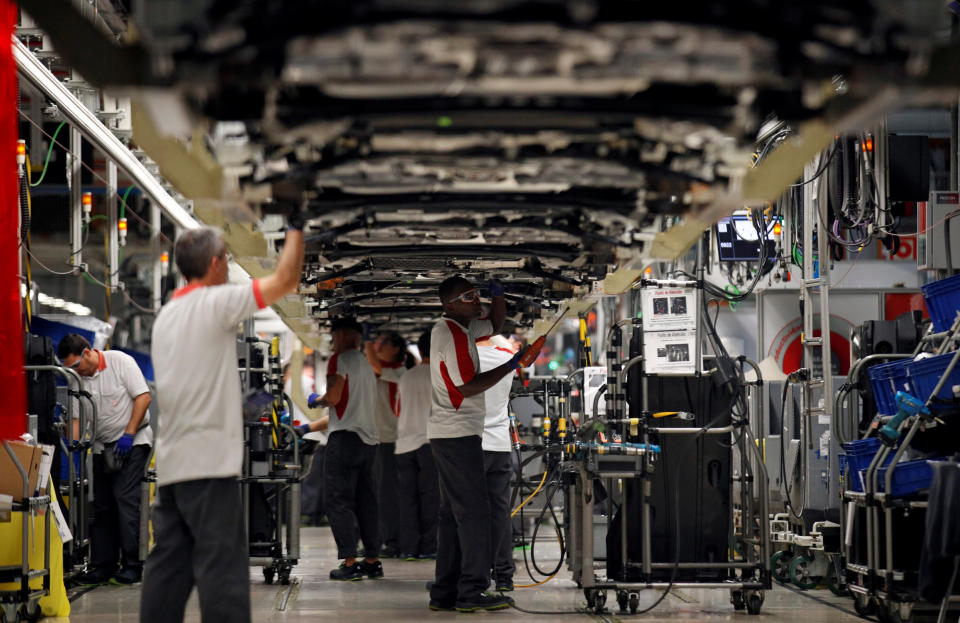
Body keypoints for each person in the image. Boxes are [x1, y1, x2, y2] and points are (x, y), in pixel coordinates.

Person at [141, 221, 304, 623]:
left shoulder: (168, 315)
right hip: (209, 467)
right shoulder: (214, 304)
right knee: (223, 572)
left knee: (169, 569)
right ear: (214, 265)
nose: (229, 267)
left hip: (175, 466)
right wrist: (299, 224)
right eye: (227, 260)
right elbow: (286, 279)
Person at [427, 276, 540, 613]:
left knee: (453, 515)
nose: (476, 301)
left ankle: (445, 591)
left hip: (455, 432)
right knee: (475, 514)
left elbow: (494, 323)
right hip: (457, 432)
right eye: (468, 297)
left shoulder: (462, 328)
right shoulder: (452, 335)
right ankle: (472, 590)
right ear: (450, 304)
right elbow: (468, 387)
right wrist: (512, 364)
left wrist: (498, 294)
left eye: (477, 294)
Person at [58, 334, 152, 586]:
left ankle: (132, 565)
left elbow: (143, 397)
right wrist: (69, 444)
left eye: (77, 365)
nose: (75, 372)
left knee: (124, 498)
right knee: (100, 505)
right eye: (69, 369)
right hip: (100, 447)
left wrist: (128, 434)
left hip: (132, 441)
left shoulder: (120, 362)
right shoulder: (78, 380)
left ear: (88, 352)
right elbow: (77, 422)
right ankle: (103, 564)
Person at [305, 317, 382, 581]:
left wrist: (318, 400)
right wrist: (310, 426)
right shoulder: (367, 366)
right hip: (368, 442)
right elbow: (349, 409)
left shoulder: (340, 360)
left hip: (345, 441)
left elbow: (335, 399)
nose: (333, 342)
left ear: (344, 336)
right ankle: (372, 560)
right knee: (366, 501)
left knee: (338, 500)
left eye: (334, 337)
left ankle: (349, 562)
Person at [365, 331, 415, 557]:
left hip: (391, 442)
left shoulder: (399, 372)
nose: (376, 346)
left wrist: (366, 342)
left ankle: (394, 541)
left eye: (381, 342)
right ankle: (384, 539)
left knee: (389, 494)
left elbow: (375, 366)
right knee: (379, 493)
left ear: (395, 348)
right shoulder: (389, 371)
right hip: (381, 440)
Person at [476, 335, 519, 592]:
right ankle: (504, 575)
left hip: (471, 444)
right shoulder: (506, 358)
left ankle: (474, 574)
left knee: (469, 513)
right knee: (500, 512)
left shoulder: (466, 359)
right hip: (500, 444)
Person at [394, 330, 439, 561]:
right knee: (430, 497)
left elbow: (397, 410)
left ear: (420, 351)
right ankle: (429, 547)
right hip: (431, 443)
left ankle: (408, 548)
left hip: (404, 444)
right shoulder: (440, 376)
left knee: (407, 499)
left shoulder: (406, 376)